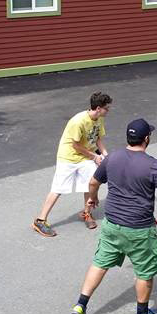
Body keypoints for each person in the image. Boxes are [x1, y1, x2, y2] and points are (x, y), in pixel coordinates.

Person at [70, 118, 157, 314]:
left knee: (100, 263)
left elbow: (93, 182)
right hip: (139, 229)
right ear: (146, 139)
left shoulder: (112, 158)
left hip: (112, 225)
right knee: (145, 271)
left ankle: (80, 304)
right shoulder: (152, 165)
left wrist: (92, 198)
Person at [33, 92, 112, 237]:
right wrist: (94, 156)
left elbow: (98, 139)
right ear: (99, 108)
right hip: (68, 157)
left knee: (90, 183)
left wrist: (106, 156)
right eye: (107, 108)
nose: (109, 110)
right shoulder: (78, 121)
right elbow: (75, 145)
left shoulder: (99, 119)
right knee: (58, 188)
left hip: (85, 157)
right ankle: (40, 220)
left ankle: (86, 214)